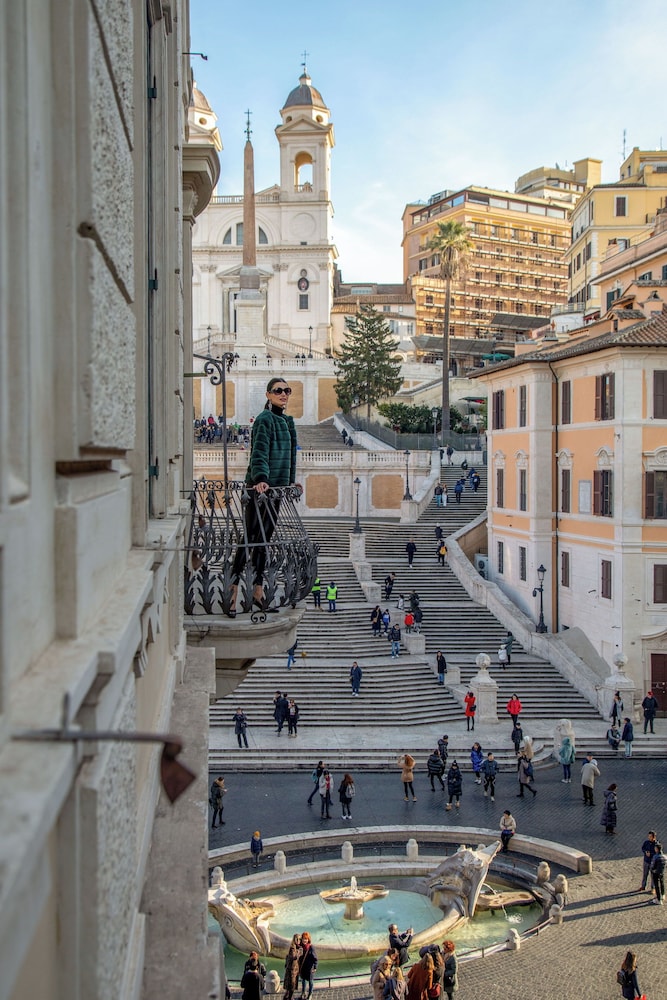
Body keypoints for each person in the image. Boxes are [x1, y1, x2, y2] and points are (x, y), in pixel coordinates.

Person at [228, 377, 298, 617]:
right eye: (278, 391)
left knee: (264, 540)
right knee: (249, 538)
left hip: (276, 490)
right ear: (268, 394)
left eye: (286, 391)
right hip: (258, 489)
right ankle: (233, 588)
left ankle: (258, 589)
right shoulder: (264, 419)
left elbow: (291, 456)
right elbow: (259, 451)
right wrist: (260, 479)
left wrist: (290, 481)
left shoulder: (288, 422)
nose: (283, 394)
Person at [298, 931, 318, 999]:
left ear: (308, 939)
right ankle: (303, 993)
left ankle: (310, 994)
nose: (304, 940)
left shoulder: (311, 947)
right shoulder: (300, 947)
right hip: (302, 967)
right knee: (303, 981)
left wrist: (315, 967)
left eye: (306, 939)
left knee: (310, 981)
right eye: (303, 938)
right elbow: (299, 957)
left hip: (310, 968)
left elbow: (315, 958)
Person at [283, 934, 303, 1000]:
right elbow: (294, 957)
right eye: (299, 939)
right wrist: (299, 953)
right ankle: (289, 998)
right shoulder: (292, 948)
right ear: (296, 939)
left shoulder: (295, 947)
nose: (300, 941)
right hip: (292, 970)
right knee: (291, 985)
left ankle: (287, 997)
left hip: (294, 969)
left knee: (290, 986)